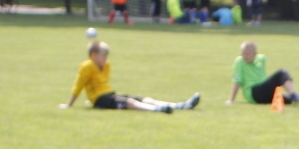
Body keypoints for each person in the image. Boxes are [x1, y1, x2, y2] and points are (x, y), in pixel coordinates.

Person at [61, 41, 201, 113]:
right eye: (103, 55)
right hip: (101, 99)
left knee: (144, 99)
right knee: (129, 103)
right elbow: (78, 86)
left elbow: (100, 84)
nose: (106, 58)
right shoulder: (87, 66)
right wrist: (69, 105)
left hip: (108, 95)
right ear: (93, 55)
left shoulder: (107, 65)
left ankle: (180, 106)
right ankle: (158, 110)